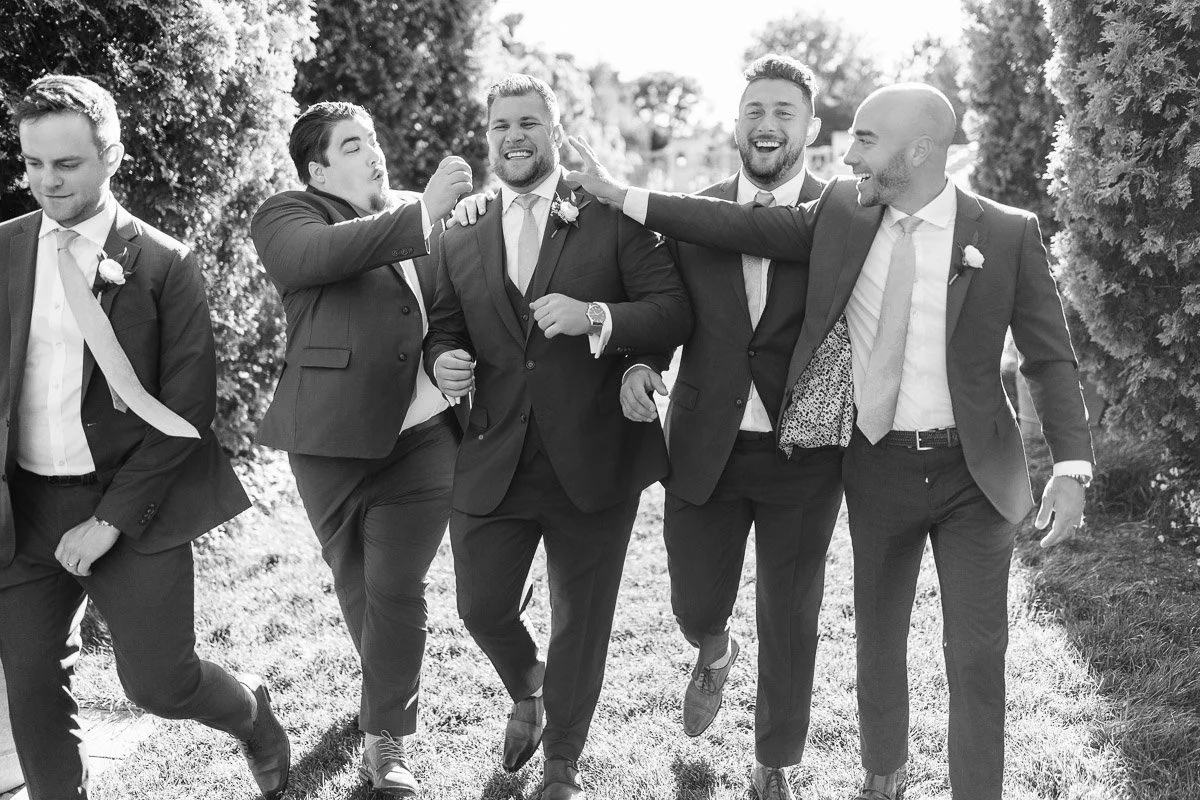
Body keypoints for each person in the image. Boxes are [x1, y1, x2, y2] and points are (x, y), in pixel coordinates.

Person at [566, 83, 1094, 800]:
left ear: (918, 151)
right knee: (878, 641)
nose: (847, 156)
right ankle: (883, 776)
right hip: (878, 464)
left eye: (865, 140)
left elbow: (1048, 357)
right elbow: (733, 225)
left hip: (976, 473)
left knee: (977, 653)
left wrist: (1071, 465)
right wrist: (618, 193)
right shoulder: (844, 212)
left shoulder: (1005, 233)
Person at [0, 75, 289, 799]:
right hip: (22, 512)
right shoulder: (3, 249)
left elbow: (187, 413)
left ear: (113, 156)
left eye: (67, 163)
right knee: (31, 689)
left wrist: (109, 521)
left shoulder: (164, 263)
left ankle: (251, 714)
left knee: (160, 683)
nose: (47, 180)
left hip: (133, 503)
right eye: (33, 163)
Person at [424, 74, 691, 800]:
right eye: (501, 125)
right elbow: (444, 327)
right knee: (480, 607)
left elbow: (672, 309)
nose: (515, 137)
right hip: (493, 454)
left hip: (595, 454)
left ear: (555, 132)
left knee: (582, 619)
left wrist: (598, 317)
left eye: (529, 123)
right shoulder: (461, 230)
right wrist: (443, 360)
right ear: (488, 137)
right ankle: (528, 686)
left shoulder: (608, 214)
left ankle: (563, 763)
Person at [618, 55, 842, 800]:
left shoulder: (837, 215)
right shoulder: (690, 215)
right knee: (692, 602)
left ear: (811, 127)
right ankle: (714, 648)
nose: (767, 125)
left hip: (802, 451)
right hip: (703, 444)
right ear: (735, 123)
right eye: (755, 110)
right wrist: (640, 363)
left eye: (784, 112)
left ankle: (775, 760)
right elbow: (667, 310)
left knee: (792, 616)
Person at [250, 101, 471, 796]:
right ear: (318, 170)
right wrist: (421, 213)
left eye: (372, 140)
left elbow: (443, 313)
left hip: (424, 438)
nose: (373, 152)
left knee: (395, 586)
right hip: (328, 442)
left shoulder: (421, 215)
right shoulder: (287, 215)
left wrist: (444, 356)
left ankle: (387, 740)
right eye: (352, 145)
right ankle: (383, 698)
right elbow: (317, 257)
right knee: (356, 583)